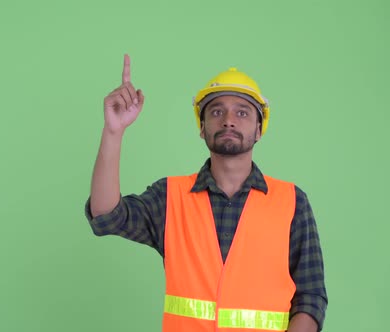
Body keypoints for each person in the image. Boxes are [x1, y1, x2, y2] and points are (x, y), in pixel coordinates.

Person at [85, 54, 327, 332]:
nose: (228, 121)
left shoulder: (292, 202)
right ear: (202, 128)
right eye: (216, 111)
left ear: (260, 129)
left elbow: (311, 297)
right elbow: (106, 216)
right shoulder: (170, 197)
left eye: (242, 112)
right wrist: (113, 132)